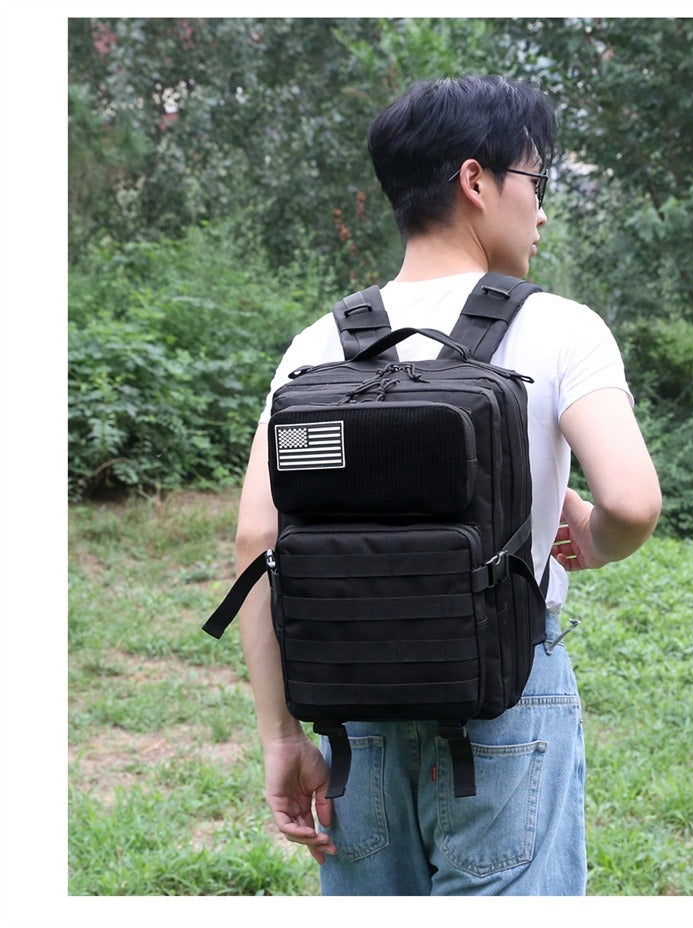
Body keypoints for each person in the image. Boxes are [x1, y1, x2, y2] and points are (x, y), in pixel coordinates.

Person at [234, 75, 662, 896]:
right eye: (537, 181)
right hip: (506, 702)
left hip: (355, 715)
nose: (542, 211)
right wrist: (593, 541)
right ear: (476, 181)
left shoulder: (319, 344)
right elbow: (633, 502)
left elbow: (257, 539)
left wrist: (281, 737)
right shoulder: (562, 328)